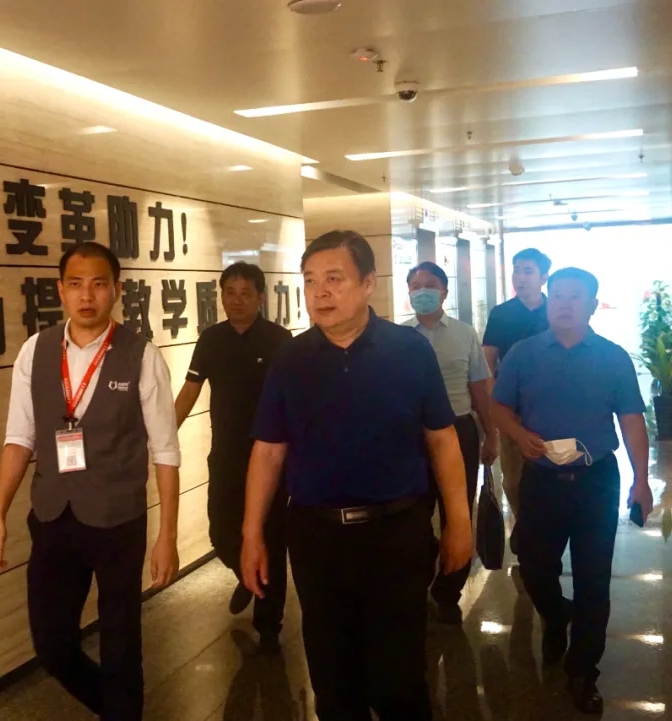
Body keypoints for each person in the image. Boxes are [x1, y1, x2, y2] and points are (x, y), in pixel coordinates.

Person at [240, 230, 473, 720]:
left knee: (399, 680)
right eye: (310, 281)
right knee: (333, 679)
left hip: (397, 533)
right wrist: (252, 533)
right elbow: (268, 450)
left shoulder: (409, 350)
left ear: (369, 283)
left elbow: (442, 439)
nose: (320, 292)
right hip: (316, 537)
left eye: (334, 279)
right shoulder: (290, 359)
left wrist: (459, 521)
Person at [0, 242, 181, 721]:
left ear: (116, 290)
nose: (86, 295)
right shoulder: (35, 350)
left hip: (118, 521)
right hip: (53, 516)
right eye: (75, 284)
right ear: (60, 290)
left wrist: (168, 536)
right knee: (52, 646)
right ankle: (117, 711)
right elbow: (19, 437)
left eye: (97, 284)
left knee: (120, 645)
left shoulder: (141, 355)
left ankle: (122, 711)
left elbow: (165, 451)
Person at [490, 267, 653, 715]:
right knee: (534, 566)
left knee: (593, 578)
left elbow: (632, 420)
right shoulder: (524, 354)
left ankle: (583, 671)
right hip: (541, 479)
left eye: (575, 296)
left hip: (596, 480)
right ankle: (556, 613)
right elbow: (499, 406)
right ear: (548, 302)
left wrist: (641, 480)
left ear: (592, 305)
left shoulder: (612, 357)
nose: (564, 304)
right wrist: (519, 435)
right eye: (557, 295)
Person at [174, 261, 293, 653]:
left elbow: (298, 396)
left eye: (245, 293)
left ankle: (269, 625)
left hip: (272, 456)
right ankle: (246, 574)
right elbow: (189, 391)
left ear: (261, 297)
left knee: (271, 539)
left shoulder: (279, 339)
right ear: (220, 296)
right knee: (221, 531)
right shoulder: (211, 339)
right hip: (226, 453)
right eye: (229, 293)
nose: (236, 300)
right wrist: (163, 435)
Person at [402, 261, 498, 624]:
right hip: (411, 435)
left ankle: (449, 590)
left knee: (457, 509)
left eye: (428, 285)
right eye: (414, 286)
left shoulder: (464, 333)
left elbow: (479, 388)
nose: (421, 291)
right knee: (414, 511)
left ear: (444, 291)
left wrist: (491, 435)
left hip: (459, 429)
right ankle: (421, 571)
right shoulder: (398, 336)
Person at [482, 247, 551, 551]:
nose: (520, 277)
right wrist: (497, 404)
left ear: (543, 277)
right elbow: (487, 360)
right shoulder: (502, 314)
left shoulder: (554, 311)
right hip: (512, 409)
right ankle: (526, 527)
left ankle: (542, 532)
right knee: (513, 479)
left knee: (547, 473)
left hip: (551, 409)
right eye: (516, 270)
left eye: (528, 271)